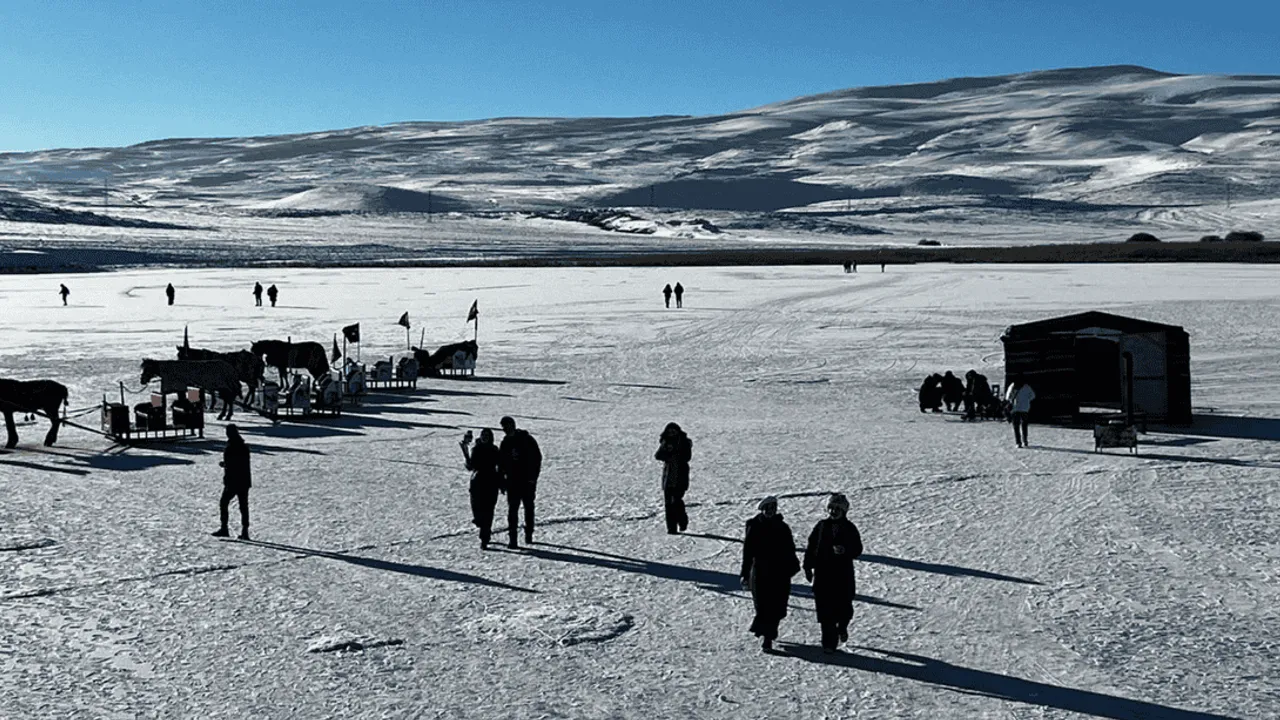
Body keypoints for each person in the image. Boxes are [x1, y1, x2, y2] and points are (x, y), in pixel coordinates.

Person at [803, 492, 862, 653]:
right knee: (824, 610)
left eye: (837, 508)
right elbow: (811, 546)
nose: (833, 511)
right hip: (823, 575)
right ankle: (829, 643)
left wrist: (845, 550)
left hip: (843, 576)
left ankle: (842, 627)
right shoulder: (821, 526)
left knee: (845, 609)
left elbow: (857, 548)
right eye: (831, 508)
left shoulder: (849, 528)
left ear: (844, 511)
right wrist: (807, 566)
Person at [740, 496, 800, 653]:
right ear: (762, 509)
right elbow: (747, 551)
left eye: (772, 509)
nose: (769, 512)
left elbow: (790, 549)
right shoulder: (754, 525)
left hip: (779, 572)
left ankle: (767, 634)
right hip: (759, 571)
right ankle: (766, 634)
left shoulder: (783, 527)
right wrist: (744, 574)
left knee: (776, 606)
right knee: (762, 605)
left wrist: (793, 567)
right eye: (767, 509)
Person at [498, 416, 542, 548]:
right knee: (512, 510)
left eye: (506, 426)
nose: (505, 429)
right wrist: (502, 481)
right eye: (503, 427)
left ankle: (529, 533)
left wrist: (533, 478)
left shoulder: (527, 439)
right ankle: (513, 539)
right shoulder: (505, 443)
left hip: (527, 481)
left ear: (512, 425)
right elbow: (501, 463)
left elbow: (537, 459)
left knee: (528, 508)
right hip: (512, 481)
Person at [461, 428, 503, 549]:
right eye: (483, 435)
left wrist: (501, 483)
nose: (485, 437)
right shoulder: (476, 449)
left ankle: (485, 537)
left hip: (491, 482)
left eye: (487, 435)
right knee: (477, 507)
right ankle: (480, 522)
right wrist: (467, 459)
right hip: (477, 481)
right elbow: (471, 466)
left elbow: (499, 466)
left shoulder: (494, 450)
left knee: (489, 510)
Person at [212, 424, 251, 540]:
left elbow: (231, 464)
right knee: (243, 506)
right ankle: (245, 531)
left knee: (224, 502)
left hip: (233, 481)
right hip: (244, 480)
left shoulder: (230, 447)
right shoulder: (244, 446)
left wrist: (224, 465)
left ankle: (224, 528)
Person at [654, 422, 691, 534]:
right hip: (669, 476)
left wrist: (674, 454)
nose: (671, 433)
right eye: (669, 431)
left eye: (673, 431)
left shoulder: (684, 442)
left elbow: (687, 457)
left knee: (676, 501)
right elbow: (658, 455)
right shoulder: (665, 442)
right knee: (668, 504)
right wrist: (666, 451)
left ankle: (682, 520)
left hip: (680, 475)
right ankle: (671, 528)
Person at [1005, 377, 1036, 447]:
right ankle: (1025, 441)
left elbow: (1007, 397)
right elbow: (1033, 396)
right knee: (1024, 425)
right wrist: (1026, 400)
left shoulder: (1012, 386)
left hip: (1015, 408)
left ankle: (1018, 442)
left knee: (1016, 426)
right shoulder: (1027, 387)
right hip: (1025, 408)